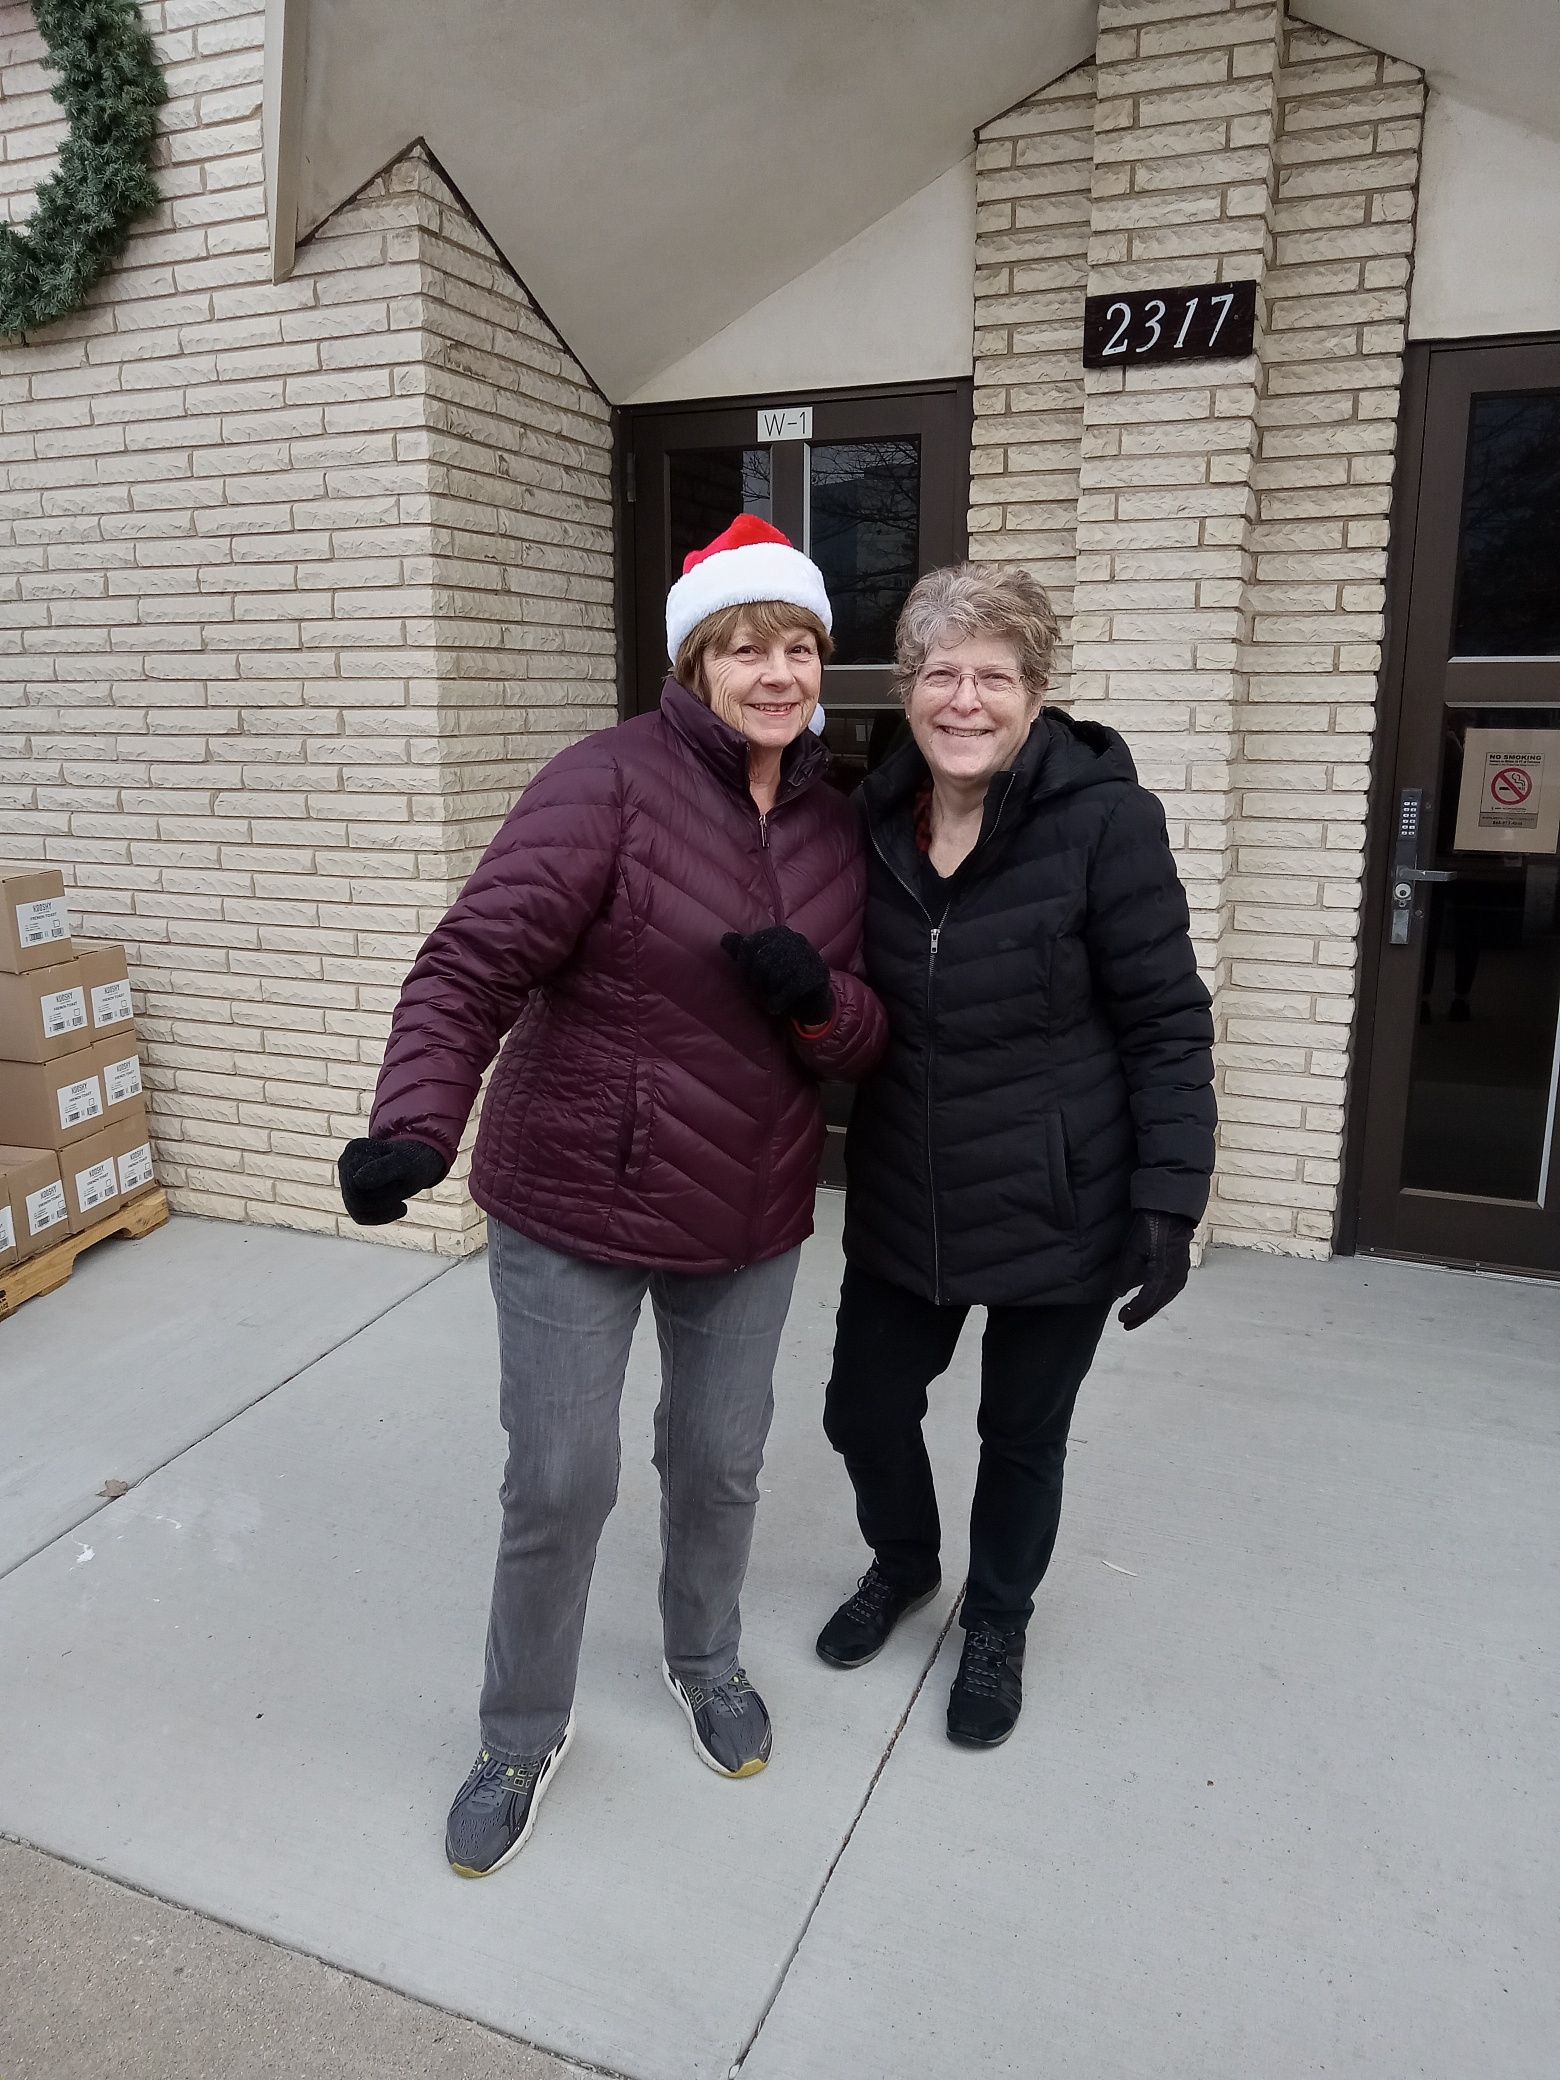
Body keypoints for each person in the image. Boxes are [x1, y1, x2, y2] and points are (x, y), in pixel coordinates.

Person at [339, 515, 886, 1876]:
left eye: (800, 645)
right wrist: (414, 1124)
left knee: (720, 1462)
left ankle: (704, 1658)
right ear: (695, 659)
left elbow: (872, 1033)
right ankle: (521, 1733)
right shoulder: (604, 786)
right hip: (574, 1199)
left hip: (749, 1210)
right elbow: (472, 963)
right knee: (563, 1479)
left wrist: (822, 1007)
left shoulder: (837, 821)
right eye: (747, 645)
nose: (777, 670)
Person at [815, 563, 1215, 1747]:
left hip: (1062, 1195)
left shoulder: (1103, 821)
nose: (966, 698)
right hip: (905, 1184)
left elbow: (1165, 1017)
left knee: (1020, 1433)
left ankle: (998, 1617)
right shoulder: (869, 819)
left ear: (1037, 693)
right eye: (941, 672)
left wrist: (1169, 1197)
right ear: (907, 690)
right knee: (862, 1411)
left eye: (995, 674)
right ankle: (905, 1560)